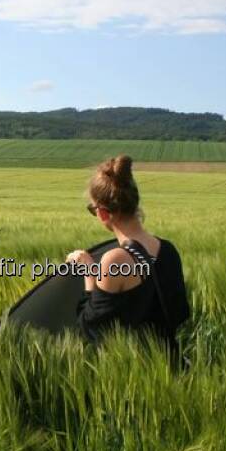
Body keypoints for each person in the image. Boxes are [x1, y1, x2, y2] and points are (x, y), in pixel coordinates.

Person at [65, 155, 189, 361]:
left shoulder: (115, 260)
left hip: (137, 374)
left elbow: (91, 327)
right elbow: (180, 312)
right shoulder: (168, 249)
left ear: (103, 213)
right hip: (174, 365)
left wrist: (88, 271)